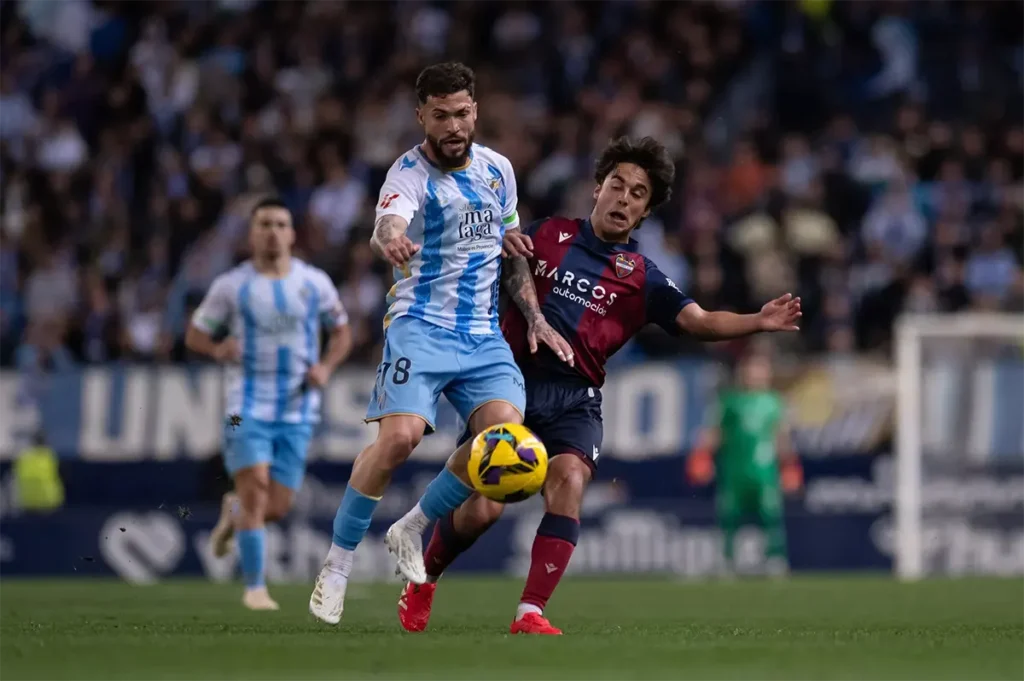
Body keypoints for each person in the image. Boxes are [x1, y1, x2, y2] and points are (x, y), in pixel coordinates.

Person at [395, 136, 803, 635]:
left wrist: (757, 320)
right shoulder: (545, 235)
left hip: (576, 398)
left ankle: (530, 613)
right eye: (618, 185)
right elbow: (480, 266)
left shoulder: (643, 278)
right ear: (597, 189)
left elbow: (698, 320)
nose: (625, 198)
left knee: (569, 480)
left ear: (645, 211)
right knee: (483, 510)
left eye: (638, 194)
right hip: (511, 388)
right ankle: (425, 578)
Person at [309, 62, 571, 625]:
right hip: (420, 328)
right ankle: (336, 567)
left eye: (462, 113)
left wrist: (535, 316)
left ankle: (413, 525)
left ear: (475, 110)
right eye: (441, 115)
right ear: (421, 116)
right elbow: (387, 226)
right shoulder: (406, 175)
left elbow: (509, 247)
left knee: (503, 442)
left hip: (482, 336)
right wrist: (392, 239)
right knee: (398, 441)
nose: (453, 126)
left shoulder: (499, 169)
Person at [186, 197, 352, 611]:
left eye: (281, 224)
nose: (273, 231)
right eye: (265, 224)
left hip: (297, 409)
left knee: (275, 506)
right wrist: (219, 348)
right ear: (252, 234)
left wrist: (327, 367)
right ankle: (255, 588)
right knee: (255, 486)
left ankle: (233, 511)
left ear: (293, 234)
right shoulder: (232, 286)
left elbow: (343, 333)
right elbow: (195, 336)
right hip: (244, 407)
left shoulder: (314, 283)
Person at [687, 349, 803, 577]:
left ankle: (775, 560)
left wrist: (790, 466)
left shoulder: (774, 402)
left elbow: (781, 437)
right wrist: (702, 456)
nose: (754, 374)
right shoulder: (730, 402)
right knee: (729, 516)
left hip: (764, 471)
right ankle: (728, 562)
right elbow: (715, 433)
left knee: (771, 515)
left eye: (759, 369)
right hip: (734, 470)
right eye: (750, 369)